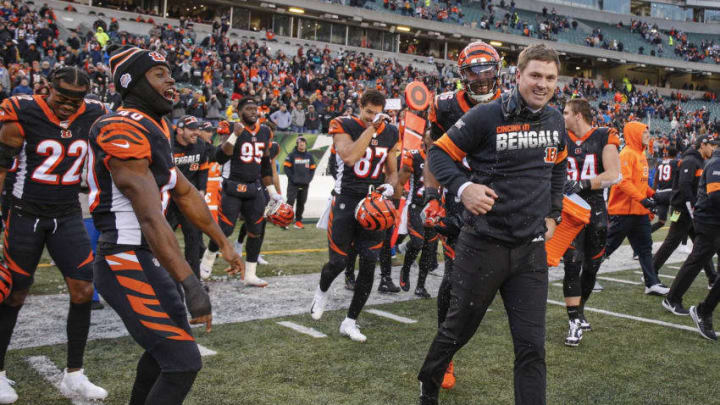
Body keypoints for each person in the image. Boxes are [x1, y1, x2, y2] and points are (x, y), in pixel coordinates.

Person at [88, 46, 243, 405]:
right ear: (132, 83)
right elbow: (148, 215)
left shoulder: (155, 126)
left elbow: (185, 193)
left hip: (145, 258)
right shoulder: (120, 125)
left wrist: (223, 242)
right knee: (183, 361)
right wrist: (191, 282)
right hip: (123, 257)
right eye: (159, 74)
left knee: (166, 355)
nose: (171, 80)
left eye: (170, 72)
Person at [418, 44, 567, 405]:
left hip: (530, 250)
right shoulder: (487, 115)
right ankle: (429, 383)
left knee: (532, 347)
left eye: (549, 78)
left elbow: (558, 165)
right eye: (535, 75)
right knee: (457, 330)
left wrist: (553, 214)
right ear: (517, 76)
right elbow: (437, 152)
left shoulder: (555, 119)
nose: (542, 84)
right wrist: (464, 188)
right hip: (483, 244)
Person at [0, 67, 109, 403]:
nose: (68, 104)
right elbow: (2, 168)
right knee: (14, 293)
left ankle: (74, 374)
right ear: (47, 88)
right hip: (24, 213)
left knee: (83, 289)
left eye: (76, 98)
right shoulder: (22, 111)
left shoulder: (94, 113)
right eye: (63, 97)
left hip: (66, 213)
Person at [424, 40, 502, 390]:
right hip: (458, 199)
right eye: (475, 71)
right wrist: (430, 196)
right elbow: (433, 152)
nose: (484, 78)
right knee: (455, 281)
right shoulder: (444, 106)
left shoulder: (512, 104)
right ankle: (446, 357)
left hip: (503, 201)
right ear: (462, 74)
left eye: (489, 70)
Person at [309, 89, 399, 343]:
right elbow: (349, 156)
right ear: (360, 107)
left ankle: (350, 321)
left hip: (373, 202)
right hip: (346, 200)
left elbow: (392, 171)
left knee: (370, 262)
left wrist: (390, 187)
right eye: (368, 112)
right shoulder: (344, 123)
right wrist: (372, 129)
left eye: (377, 113)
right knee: (337, 262)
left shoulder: (391, 132)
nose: (372, 117)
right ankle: (322, 290)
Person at [200, 98, 283, 287]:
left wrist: (272, 191)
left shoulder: (264, 131)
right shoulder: (229, 127)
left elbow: (265, 164)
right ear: (239, 111)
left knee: (256, 231)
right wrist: (234, 136)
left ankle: (250, 274)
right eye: (249, 108)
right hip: (232, 186)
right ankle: (208, 259)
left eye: (256, 108)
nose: (254, 111)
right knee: (225, 229)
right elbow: (219, 157)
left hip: (254, 188)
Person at [559, 98, 620, 347]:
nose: (562, 117)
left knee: (592, 267)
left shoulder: (605, 135)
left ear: (578, 115)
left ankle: (580, 306)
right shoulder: (561, 138)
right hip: (570, 210)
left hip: (595, 209)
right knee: (571, 264)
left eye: (565, 112)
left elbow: (613, 174)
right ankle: (573, 320)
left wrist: (582, 183)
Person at [603, 121, 669, 296]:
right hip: (623, 210)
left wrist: (652, 194)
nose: (648, 136)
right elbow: (623, 181)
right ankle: (586, 273)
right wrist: (643, 199)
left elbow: (639, 183)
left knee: (645, 247)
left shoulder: (640, 154)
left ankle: (651, 283)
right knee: (609, 246)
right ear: (634, 134)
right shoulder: (627, 154)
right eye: (644, 133)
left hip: (638, 211)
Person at [662, 135, 720, 314]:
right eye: (709, 144)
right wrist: (692, 207)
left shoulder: (702, 161)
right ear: (703, 145)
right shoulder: (692, 161)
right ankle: (655, 277)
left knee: (699, 253)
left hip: (696, 214)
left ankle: (712, 278)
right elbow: (685, 187)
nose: (711, 148)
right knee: (672, 240)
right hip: (681, 210)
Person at [168, 115, 214, 281]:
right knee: (162, 237)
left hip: (188, 198)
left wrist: (202, 190)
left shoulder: (200, 145)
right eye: (192, 129)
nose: (196, 132)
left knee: (194, 238)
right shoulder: (168, 145)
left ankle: (194, 279)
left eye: (197, 129)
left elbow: (203, 169)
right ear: (180, 130)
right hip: (168, 197)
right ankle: (162, 276)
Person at [685, 136, 720, 340]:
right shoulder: (716, 163)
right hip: (709, 221)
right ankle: (703, 310)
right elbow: (715, 196)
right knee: (696, 259)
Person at [396, 134, 438, 298]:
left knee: (429, 249)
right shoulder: (413, 155)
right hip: (416, 204)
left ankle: (420, 286)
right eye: (431, 135)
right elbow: (401, 180)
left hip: (434, 207)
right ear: (424, 139)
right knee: (417, 242)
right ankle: (405, 269)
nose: (434, 139)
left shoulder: (443, 155)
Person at [284, 136, 316, 229]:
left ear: (306, 144)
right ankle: (285, 222)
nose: (302, 144)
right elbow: (286, 168)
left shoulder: (309, 156)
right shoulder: (291, 155)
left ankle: (298, 222)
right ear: (297, 144)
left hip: (305, 184)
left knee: (301, 203)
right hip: (293, 184)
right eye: (300, 143)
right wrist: (293, 178)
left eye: (303, 143)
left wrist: (308, 179)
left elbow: (312, 169)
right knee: (290, 202)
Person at [651, 146, 679, 233]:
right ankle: (683, 243)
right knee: (677, 218)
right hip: (672, 194)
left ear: (667, 153)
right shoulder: (677, 162)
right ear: (676, 154)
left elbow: (655, 179)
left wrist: (652, 194)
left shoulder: (659, 163)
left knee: (661, 221)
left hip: (660, 195)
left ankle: (644, 234)